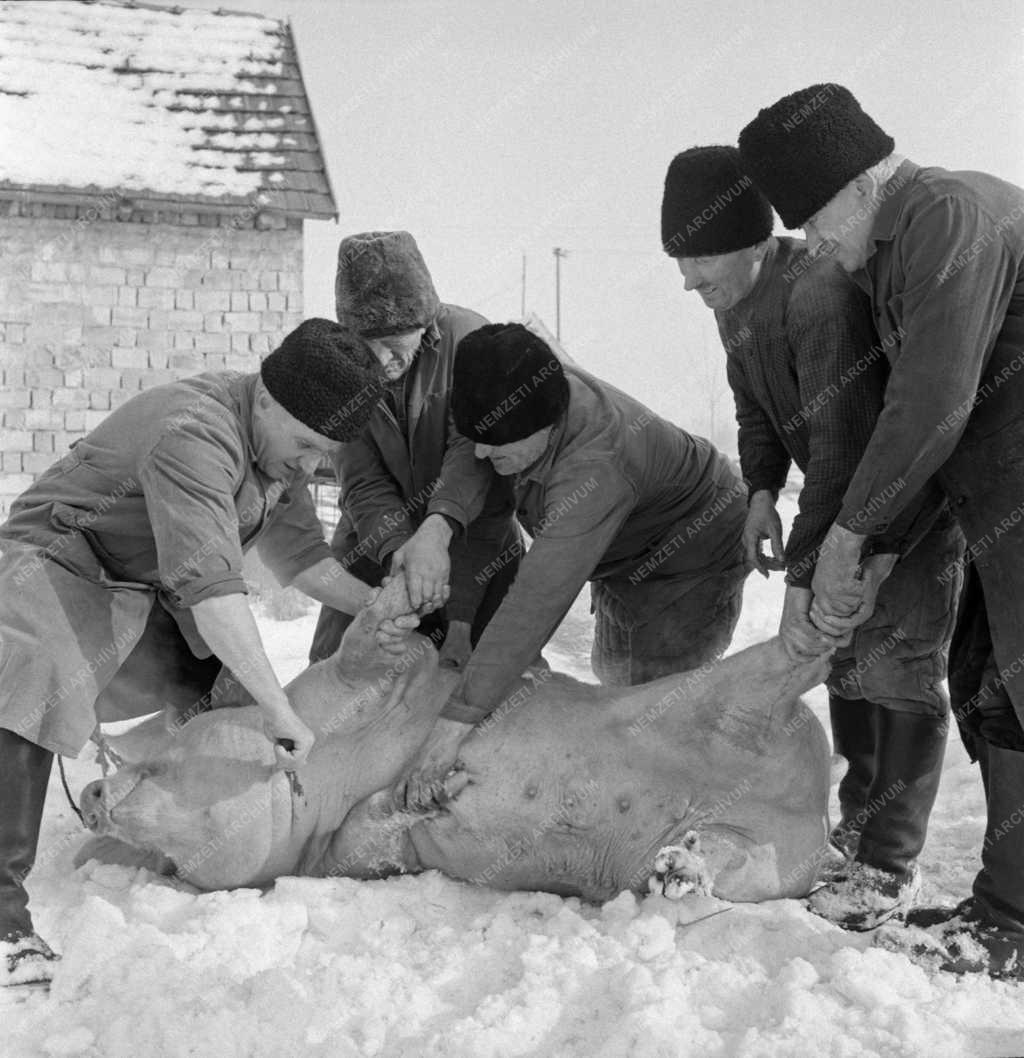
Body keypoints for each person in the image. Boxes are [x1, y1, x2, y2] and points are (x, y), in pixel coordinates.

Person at [0, 318, 416, 986]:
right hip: (50, 563)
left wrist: (381, 610)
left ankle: (153, 817)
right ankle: (4, 925)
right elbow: (216, 597)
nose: (312, 466)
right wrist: (282, 711)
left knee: (225, 697)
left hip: (136, 589)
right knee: (36, 680)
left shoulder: (277, 455)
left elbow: (304, 562)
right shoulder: (195, 433)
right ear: (266, 399)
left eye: (325, 455)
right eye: (308, 446)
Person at [738, 83, 1024, 979]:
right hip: (993, 500)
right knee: (991, 686)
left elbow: (929, 405)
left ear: (857, 187)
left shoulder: (943, 217)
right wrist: (883, 539)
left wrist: (853, 538)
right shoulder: (897, 243)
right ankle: (1004, 908)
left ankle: (1013, 927)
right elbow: (932, 422)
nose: (816, 244)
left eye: (816, 222)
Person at [660, 145, 964, 929]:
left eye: (700, 260)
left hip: (903, 507)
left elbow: (839, 446)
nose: (688, 283)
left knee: (896, 665)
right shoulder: (735, 308)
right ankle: (857, 841)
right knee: (849, 663)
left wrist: (809, 568)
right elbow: (755, 409)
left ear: (756, 241)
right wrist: (761, 491)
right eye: (680, 263)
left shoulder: (819, 296)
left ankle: (887, 866)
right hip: (844, 510)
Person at [397, 322, 749, 805]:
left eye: (495, 446)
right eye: (477, 437)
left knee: (660, 708)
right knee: (617, 678)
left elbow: (536, 600)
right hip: (623, 552)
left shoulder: (597, 465)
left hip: (692, 550)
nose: (481, 452)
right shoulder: (510, 392)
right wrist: (439, 526)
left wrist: (454, 722)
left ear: (544, 427)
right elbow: (471, 453)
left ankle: (712, 821)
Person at [308, 231, 520, 670]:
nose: (382, 360)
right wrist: (400, 552)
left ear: (425, 322)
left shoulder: (472, 340)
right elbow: (362, 480)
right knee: (338, 667)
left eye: (394, 344)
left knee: (484, 673)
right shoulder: (340, 367)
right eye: (368, 345)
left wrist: (436, 531)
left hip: (473, 528)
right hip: (376, 537)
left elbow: (474, 456)